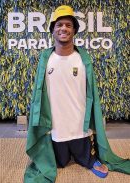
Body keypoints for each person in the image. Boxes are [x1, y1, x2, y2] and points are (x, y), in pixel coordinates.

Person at [24, 5, 130, 182]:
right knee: (58, 162)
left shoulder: (83, 58)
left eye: (68, 25)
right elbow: (38, 94)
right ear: (52, 30)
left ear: (74, 30)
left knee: (86, 156)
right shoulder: (45, 58)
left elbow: (92, 93)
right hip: (55, 125)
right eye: (59, 25)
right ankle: (58, 154)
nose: (63, 28)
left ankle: (90, 158)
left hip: (80, 122)